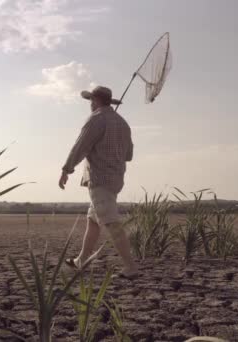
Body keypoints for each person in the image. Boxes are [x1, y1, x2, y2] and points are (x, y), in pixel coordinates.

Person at [59, 85, 138, 279]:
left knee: (112, 223)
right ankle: (80, 261)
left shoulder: (96, 119)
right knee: (93, 222)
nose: (90, 104)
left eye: (91, 101)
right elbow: (129, 155)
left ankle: (131, 267)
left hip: (100, 179)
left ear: (96, 101)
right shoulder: (122, 123)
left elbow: (80, 146)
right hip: (116, 179)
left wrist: (66, 169)